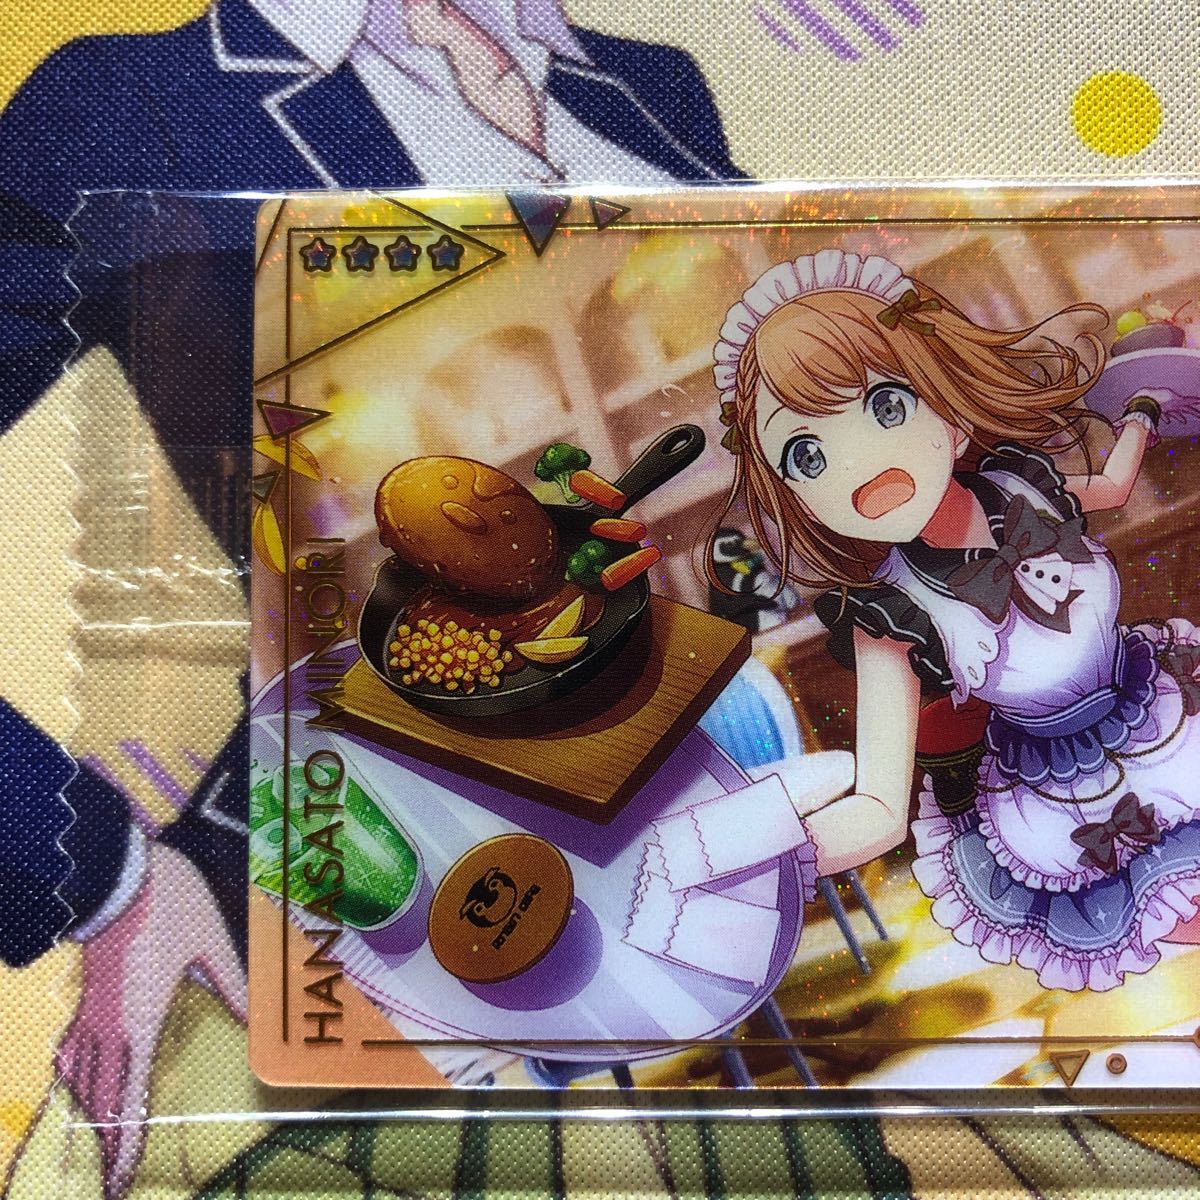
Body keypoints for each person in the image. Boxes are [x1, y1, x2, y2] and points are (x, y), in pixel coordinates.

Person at [0, 3, 741, 1194]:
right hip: (332, 901)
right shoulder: (124, 110)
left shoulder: (652, 89)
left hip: (721, 843)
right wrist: (90, 874)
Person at [708, 248, 1200, 992]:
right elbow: (879, 809)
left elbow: (1111, 485)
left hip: (1160, 700)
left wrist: (1145, 398)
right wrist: (760, 861)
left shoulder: (1018, 485)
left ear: (947, 402)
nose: (860, 466)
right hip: (1065, 794)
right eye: (807, 455)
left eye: (885, 407)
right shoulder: (888, 611)